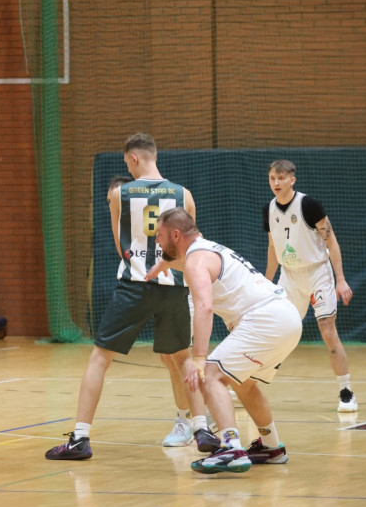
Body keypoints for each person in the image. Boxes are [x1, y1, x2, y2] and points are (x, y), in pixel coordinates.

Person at [46, 133, 209, 461]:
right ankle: (202, 427)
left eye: (126, 162)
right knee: (182, 360)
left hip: (134, 284)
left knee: (99, 359)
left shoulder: (120, 194)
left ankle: (80, 438)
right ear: (154, 154)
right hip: (174, 286)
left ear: (133, 159)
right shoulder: (183, 194)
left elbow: (119, 242)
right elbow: (193, 246)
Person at [147, 208, 302, 474]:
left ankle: (231, 447)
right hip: (286, 317)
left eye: (159, 236)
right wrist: (166, 263)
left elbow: (205, 307)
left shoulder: (196, 261)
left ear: (175, 234)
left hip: (265, 319)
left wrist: (199, 357)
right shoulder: (204, 250)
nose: (157, 243)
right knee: (245, 385)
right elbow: (189, 258)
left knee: (210, 374)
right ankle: (272, 446)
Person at [105, 173, 212, 448]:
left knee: (181, 357)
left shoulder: (167, 213)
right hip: (164, 284)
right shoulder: (156, 210)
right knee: (172, 358)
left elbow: (191, 248)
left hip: (179, 286)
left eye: (112, 200)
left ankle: (192, 420)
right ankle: (194, 417)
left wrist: (167, 267)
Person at [264, 159, 358, 412]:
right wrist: (266, 282)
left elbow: (332, 241)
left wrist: (341, 279)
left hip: (317, 273)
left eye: (281, 178)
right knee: (280, 332)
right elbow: (273, 248)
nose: (277, 183)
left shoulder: (309, 205)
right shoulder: (269, 209)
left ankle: (346, 391)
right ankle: (254, 384)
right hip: (289, 276)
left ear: (292, 180)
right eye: (273, 178)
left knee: (327, 331)